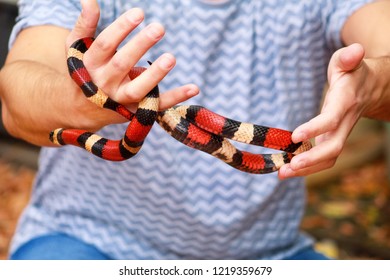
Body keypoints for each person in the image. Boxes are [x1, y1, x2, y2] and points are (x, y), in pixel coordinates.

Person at [0, 0, 389, 260]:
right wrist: (75, 104)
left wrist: (371, 82)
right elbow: (17, 101)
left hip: (268, 253)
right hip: (88, 238)